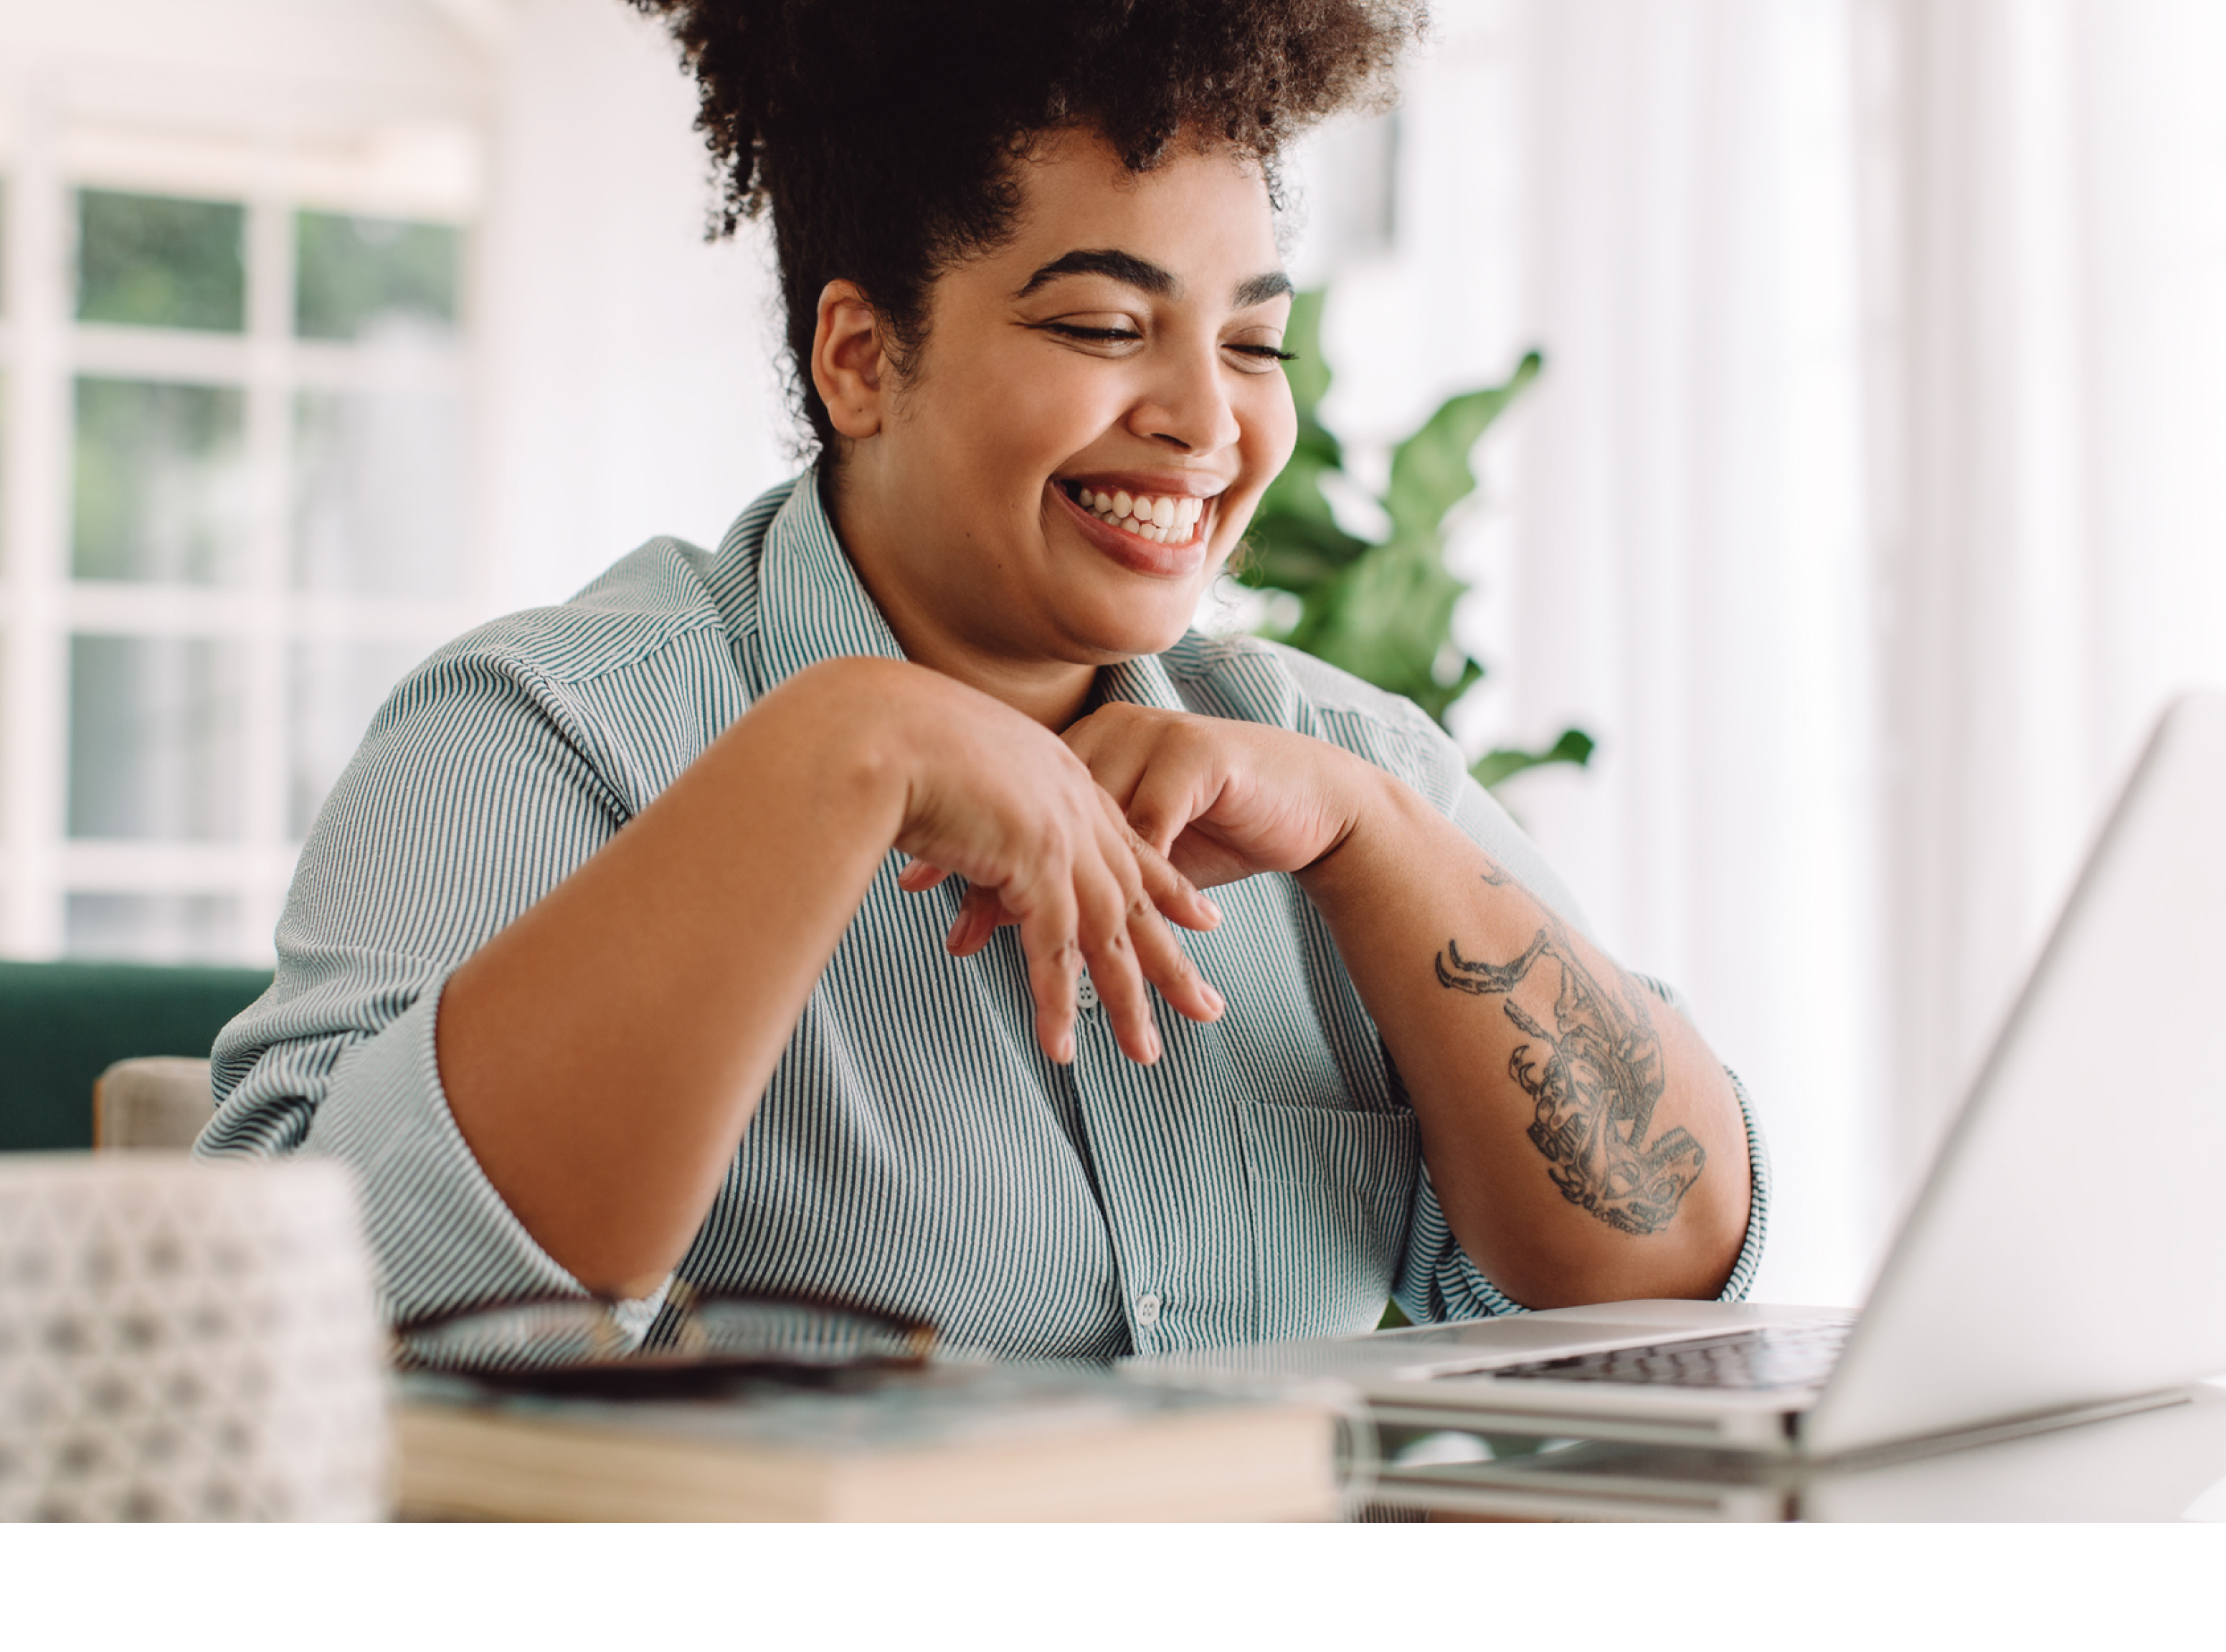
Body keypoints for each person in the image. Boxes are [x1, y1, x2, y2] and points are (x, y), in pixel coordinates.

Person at [205, 0, 1763, 1360]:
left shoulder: (1335, 763)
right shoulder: (545, 735)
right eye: (1103, 324)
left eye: (1254, 346)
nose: (1206, 421)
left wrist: (1379, 845)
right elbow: (295, 1325)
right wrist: (838, 752)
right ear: (861, 359)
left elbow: (1670, 1281)